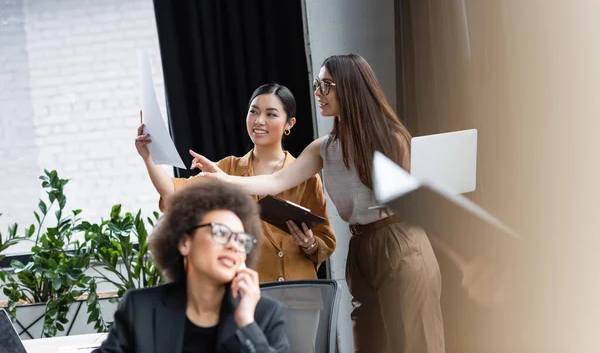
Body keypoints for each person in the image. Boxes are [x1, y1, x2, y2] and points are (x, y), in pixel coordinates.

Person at [195, 54, 445, 353]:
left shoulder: (392, 139)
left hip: (399, 240)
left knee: (415, 340)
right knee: (369, 341)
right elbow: (275, 183)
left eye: (326, 85)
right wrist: (223, 178)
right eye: (317, 84)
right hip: (361, 245)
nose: (317, 93)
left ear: (350, 87)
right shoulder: (324, 147)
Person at [135, 83, 336, 353]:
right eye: (253, 112)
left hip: (300, 298)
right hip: (246, 296)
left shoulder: (305, 176)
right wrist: (148, 158)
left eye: (271, 114)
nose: (259, 121)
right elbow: (174, 193)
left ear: (289, 123)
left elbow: (326, 240)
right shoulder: (227, 169)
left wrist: (310, 244)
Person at [94, 180, 289, 353]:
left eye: (241, 240)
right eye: (220, 232)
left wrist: (246, 324)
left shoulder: (264, 315)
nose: (233, 245)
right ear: (184, 242)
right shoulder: (140, 309)